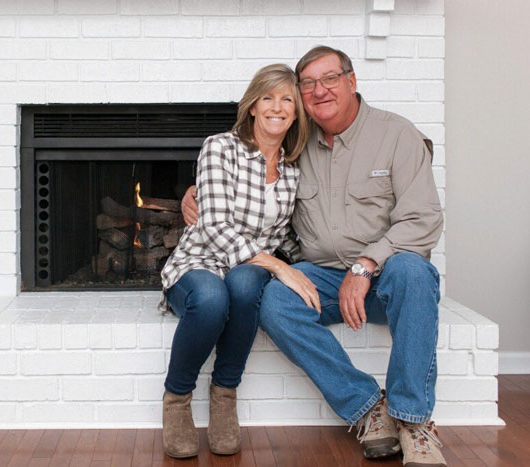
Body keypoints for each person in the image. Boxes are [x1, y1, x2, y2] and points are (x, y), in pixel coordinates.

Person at [181, 46, 446, 467]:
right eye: (308, 84)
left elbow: (424, 219)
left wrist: (367, 265)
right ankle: (367, 409)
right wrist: (197, 195)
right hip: (323, 275)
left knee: (416, 272)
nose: (319, 91)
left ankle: (413, 420)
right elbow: (253, 184)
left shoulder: (397, 134)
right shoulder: (295, 145)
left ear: (352, 81)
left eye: (330, 79)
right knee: (272, 301)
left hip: (386, 275)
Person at [159, 64, 314, 459]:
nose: (277, 107)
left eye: (287, 100)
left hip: (248, 268)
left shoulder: (294, 171)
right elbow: (213, 224)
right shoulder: (220, 147)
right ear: (252, 106)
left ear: (297, 112)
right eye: (268, 98)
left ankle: (224, 395)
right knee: (212, 299)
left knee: (244, 285)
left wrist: (312, 267)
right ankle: (177, 399)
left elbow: (289, 235)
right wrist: (280, 267)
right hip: (201, 259)